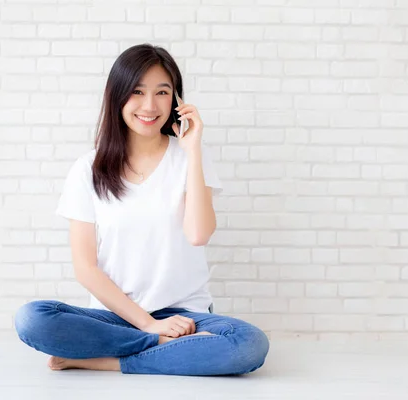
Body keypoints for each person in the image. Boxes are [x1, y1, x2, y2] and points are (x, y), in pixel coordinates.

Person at [14, 44, 269, 376]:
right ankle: (163, 349)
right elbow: (85, 269)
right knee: (32, 318)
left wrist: (192, 150)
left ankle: (103, 361)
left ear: (176, 101)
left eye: (162, 92)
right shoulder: (87, 169)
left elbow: (198, 234)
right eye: (137, 92)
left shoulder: (191, 156)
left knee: (248, 344)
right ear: (117, 96)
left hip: (185, 317)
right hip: (116, 317)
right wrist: (148, 325)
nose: (150, 105)